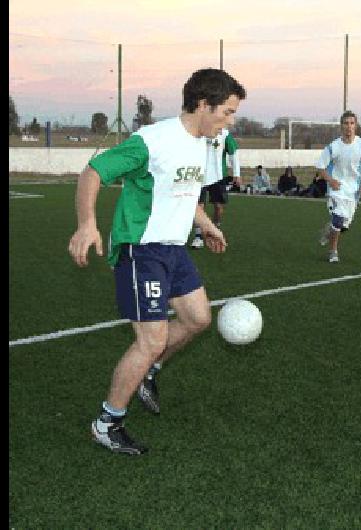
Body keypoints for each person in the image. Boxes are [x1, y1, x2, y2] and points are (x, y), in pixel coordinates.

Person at [67, 68, 246, 455]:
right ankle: (107, 422)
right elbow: (93, 172)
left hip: (172, 249)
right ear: (203, 104)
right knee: (152, 340)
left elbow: (185, 194)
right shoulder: (153, 140)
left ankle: (149, 370)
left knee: (198, 319)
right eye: (227, 112)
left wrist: (206, 226)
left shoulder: (203, 143)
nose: (230, 121)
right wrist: (86, 225)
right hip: (141, 249)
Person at [316, 110, 361, 263]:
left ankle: (329, 230)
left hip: (353, 193)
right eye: (345, 123)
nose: (348, 127)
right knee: (338, 219)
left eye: (352, 123)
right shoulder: (333, 147)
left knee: (343, 226)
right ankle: (333, 252)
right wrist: (331, 181)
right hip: (336, 190)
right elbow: (320, 167)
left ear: (355, 126)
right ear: (341, 126)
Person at [190, 128, 241, 248]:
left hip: (218, 176)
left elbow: (233, 153)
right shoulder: (198, 130)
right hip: (199, 175)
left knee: (218, 207)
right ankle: (198, 237)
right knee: (199, 207)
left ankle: (215, 229)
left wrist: (236, 173)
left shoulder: (224, 134)